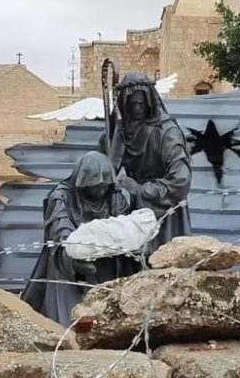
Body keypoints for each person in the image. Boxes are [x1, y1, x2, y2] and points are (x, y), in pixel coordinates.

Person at [21, 151, 137, 326]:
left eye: (105, 185)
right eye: (95, 185)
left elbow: (123, 226)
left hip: (106, 262)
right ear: (83, 182)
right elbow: (60, 231)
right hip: (67, 261)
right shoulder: (62, 197)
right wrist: (72, 259)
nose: (101, 190)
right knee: (69, 314)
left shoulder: (114, 196)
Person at [99, 72, 192, 254]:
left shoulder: (167, 132)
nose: (137, 108)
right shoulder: (118, 131)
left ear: (149, 101)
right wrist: (115, 134)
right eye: (132, 104)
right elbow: (107, 167)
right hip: (131, 211)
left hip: (163, 209)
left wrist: (141, 190)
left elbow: (181, 181)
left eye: (141, 103)